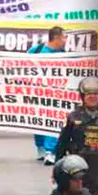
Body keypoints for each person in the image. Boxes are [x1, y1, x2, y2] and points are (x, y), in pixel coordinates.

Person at [28, 26, 66, 165]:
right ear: (56, 38)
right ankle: (41, 148)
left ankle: (51, 151)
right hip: (37, 93)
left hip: (55, 94)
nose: (65, 40)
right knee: (39, 121)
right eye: (64, 37)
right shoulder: (36, 51)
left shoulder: (64, 53)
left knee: (53, 120)